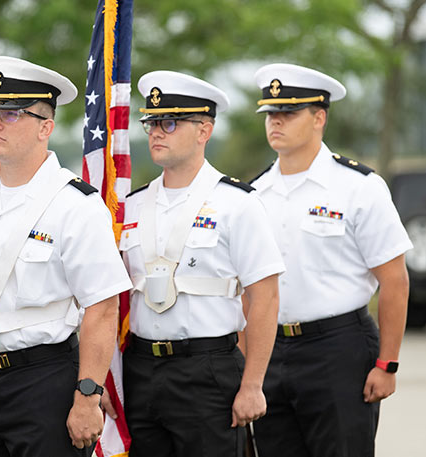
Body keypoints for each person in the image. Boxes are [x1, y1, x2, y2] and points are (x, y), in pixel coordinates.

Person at [0, 56, 132, 456]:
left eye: (11, 113)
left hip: (45, 380)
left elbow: (103, 307)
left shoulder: (75, 204)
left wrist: (88, 395)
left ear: (46, 127)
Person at [249, 63, 413, 457]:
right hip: (270, 352)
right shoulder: (254, 194)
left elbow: (395, 281)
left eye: (288, 113)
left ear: (319, 117)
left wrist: (387, 363)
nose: (276, 123)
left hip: (338, 348)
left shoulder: (358, 187)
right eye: (271, 114)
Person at [118, 71, 285, 457]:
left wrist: (252, 384)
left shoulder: (238, 203)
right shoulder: (132, 205)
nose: (156, 131)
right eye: (151, 122)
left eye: (170, 122)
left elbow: (265, 298)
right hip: (141, 368)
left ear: (203, 130)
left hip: (207, 369)